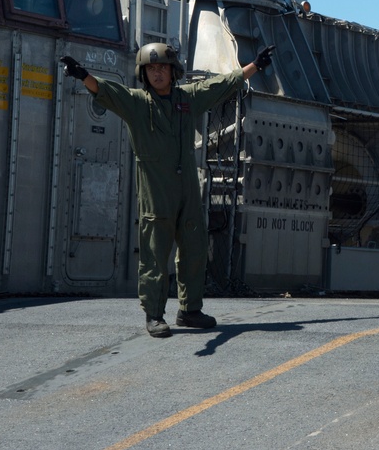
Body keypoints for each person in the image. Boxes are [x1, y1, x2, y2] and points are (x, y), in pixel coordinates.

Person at [60, 43, 275, 338]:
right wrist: (82, 74)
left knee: (194, 248)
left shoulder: (187, 99)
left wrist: (255, 66)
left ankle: (189, 310)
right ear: (143, 73)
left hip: (187, 186)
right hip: (156, 189)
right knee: (154, 253)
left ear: (173, 72)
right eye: (151, 68)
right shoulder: (136, 103)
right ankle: (154, 315)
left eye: (162, 67)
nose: (157, 73)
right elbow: (106, 91)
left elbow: (221, 85)